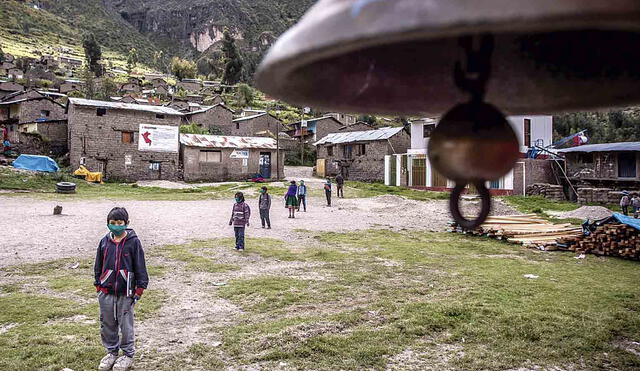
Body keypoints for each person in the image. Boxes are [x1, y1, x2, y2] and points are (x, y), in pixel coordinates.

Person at [94, 207, 148, 371]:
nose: (116, 226)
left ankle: (127, 355)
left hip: (126, 293)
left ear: (126, 223)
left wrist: (140, 288)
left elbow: (140, 265)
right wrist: (98, 284)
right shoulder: (104, 241)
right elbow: (98, 264)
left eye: (119, 223)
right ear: (108, 224)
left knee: (126, 325)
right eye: (113, 223)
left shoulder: (133, 242)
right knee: (107, 323)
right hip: (106, 291)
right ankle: (111, 352)